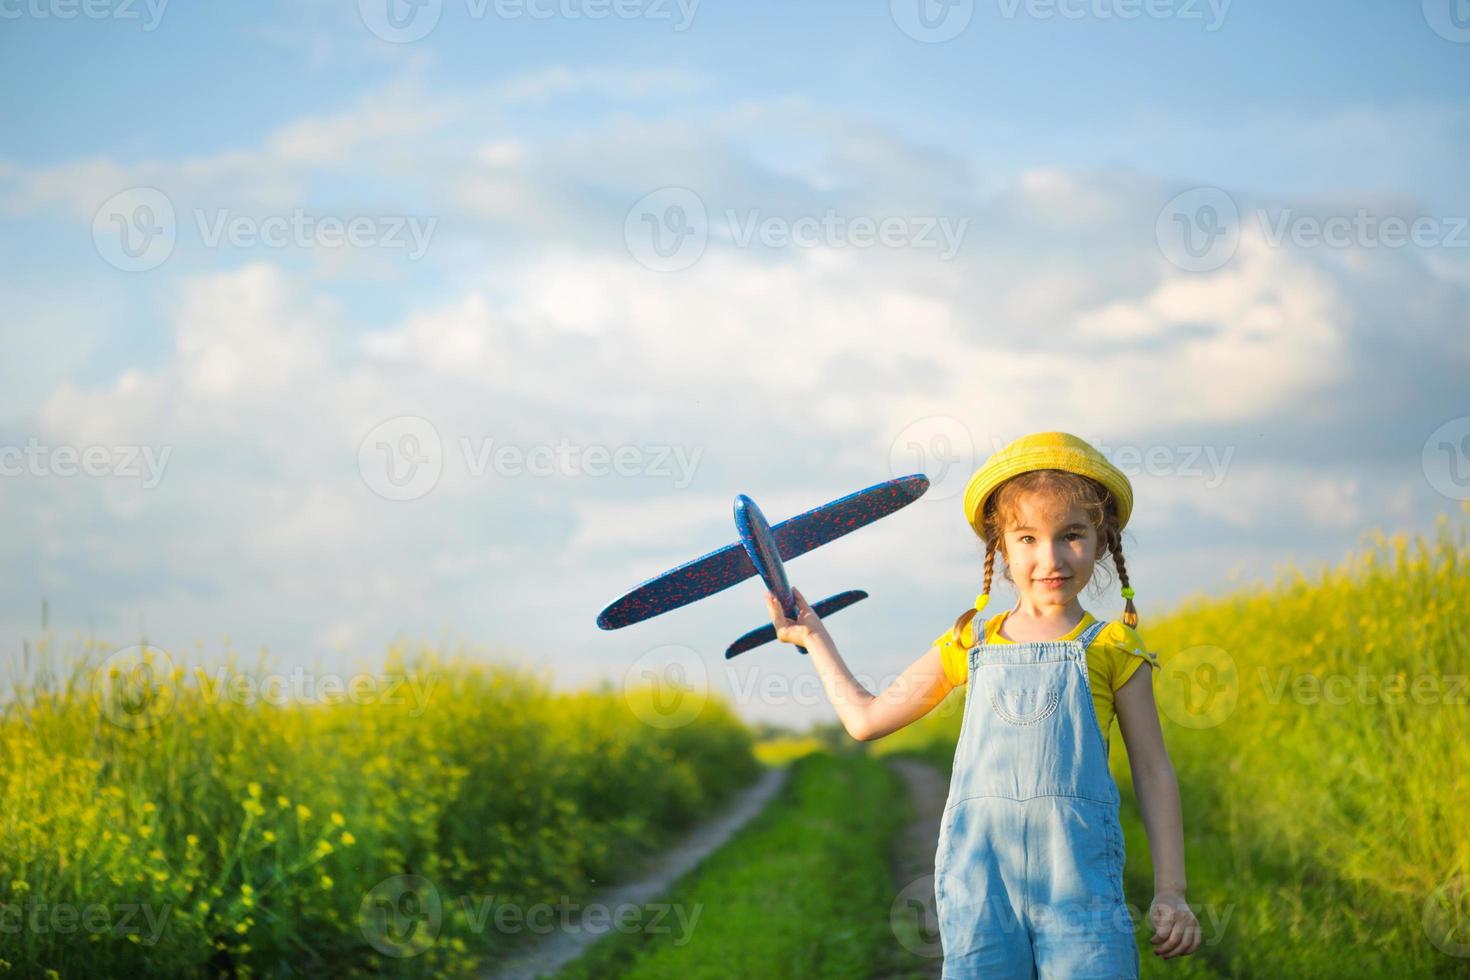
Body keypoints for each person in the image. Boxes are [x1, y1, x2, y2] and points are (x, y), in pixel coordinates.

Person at [765, 431, 1202, 977]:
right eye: (1026, 538)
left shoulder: (1115, 647)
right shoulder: (970, 642)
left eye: (1071, 535)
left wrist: (1172, 890)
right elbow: (866, 720)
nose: (1050, 558)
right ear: (999, 546)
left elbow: (1154, 770)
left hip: (1081, 889)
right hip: (980, 890)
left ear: (1102, 538)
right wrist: (814, 638)